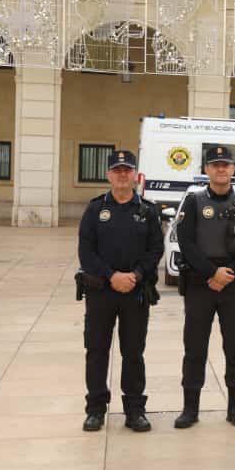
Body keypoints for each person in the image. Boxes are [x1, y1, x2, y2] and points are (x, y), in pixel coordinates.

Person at [173, 146, 235, 428]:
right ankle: (190, 408)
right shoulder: (194, 202)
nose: (221, 169)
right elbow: (186, 243)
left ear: (233, 169)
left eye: (226, 165)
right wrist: (212, 272)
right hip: (201, 283)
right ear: (207, 170)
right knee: (194, 348)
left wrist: (228, 273)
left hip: (234, 285)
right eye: (215, 165)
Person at [77, 150, 163, 432]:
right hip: (101, 291)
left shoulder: (148, 211)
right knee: (97, 351)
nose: (123, 175)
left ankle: (135, 410)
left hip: (135, 292)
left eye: (127, 170)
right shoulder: (94, 209)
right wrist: (111, 275)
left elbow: (155, 250)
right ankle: (96, 410)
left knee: (133, 352)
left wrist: (135, 276)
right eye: (118, 170)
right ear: (109, 176)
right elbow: (85, 253)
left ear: (135, 175)